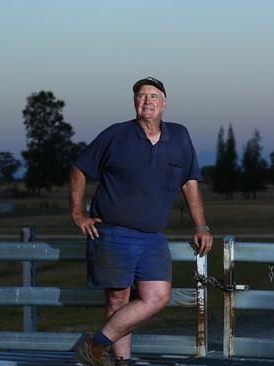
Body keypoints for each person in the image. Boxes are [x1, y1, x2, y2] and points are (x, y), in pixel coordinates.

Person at [70, 77, 213, 366]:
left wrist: (201, 226)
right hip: (113, 233)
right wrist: (77, 214)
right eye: (141, 96)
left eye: (153, 95)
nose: (147, 100)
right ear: (135, 102)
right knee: (118, 301)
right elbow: (79, 168)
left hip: (152, 236)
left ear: (164, 103)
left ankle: (95, 346)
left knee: (158, 297)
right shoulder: (116, 135)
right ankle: (120, 361)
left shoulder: (180, 137)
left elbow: (189, 183)